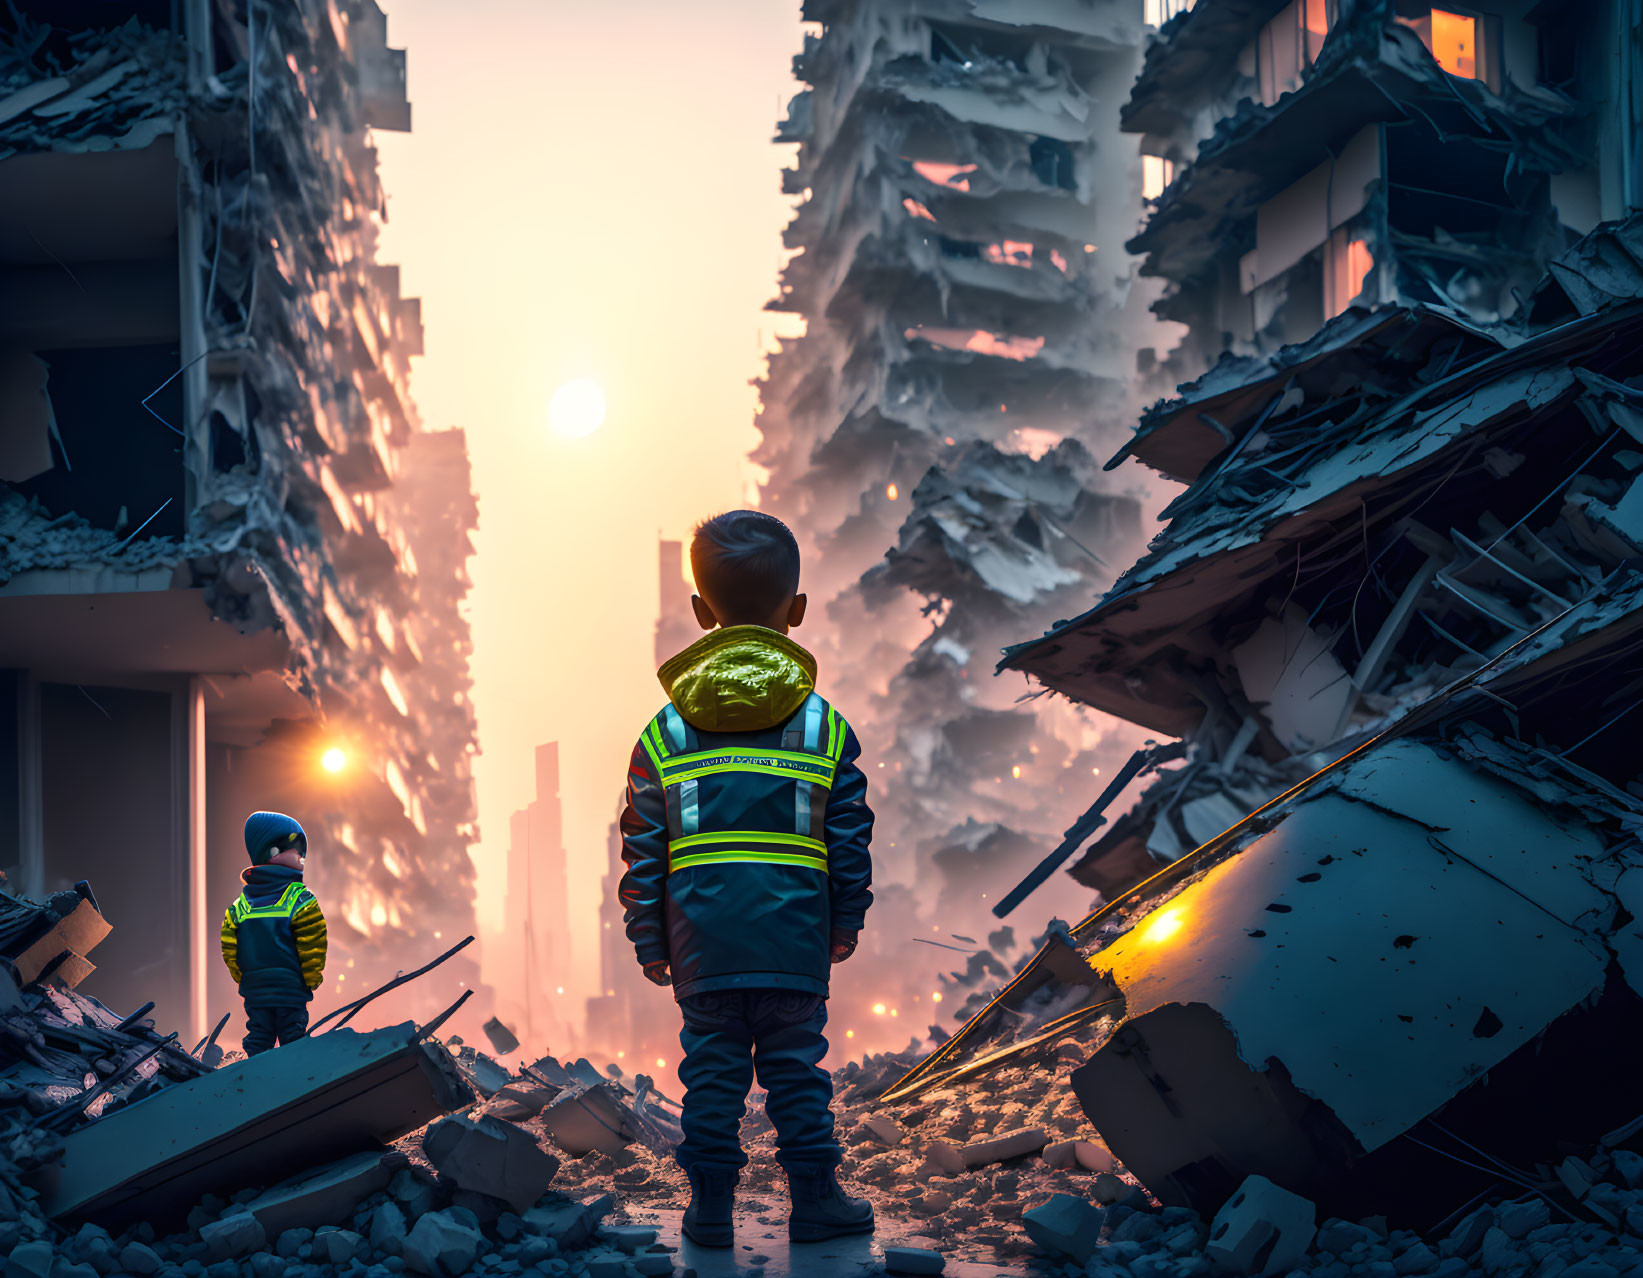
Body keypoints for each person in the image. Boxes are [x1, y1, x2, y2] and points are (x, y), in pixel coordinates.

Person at [619, 509, 875, 1248]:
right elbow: (848, 837)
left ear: (702, 615)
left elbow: (643, 849)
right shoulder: (825, 726)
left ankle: (707, 1213)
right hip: (793, 941)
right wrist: (844, 920)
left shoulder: (660, 735)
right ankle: (817, 1202)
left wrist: (649, 939)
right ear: (795, 612)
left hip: (701, 946)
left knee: (711, 1076)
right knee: (796, 1072)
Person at [221, 811, 328, 1055]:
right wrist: (311, 978)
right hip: (290, 991)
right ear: (272, 852)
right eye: (297, 848)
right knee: (293, 1038)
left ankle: (254, 1082)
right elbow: (313, 943)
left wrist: (246, 979)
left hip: (255, 993)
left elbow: (230, 948)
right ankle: (297, 1084)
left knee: (259, 1037)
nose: (302, 857)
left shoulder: (239, 907)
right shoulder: (301, 900)